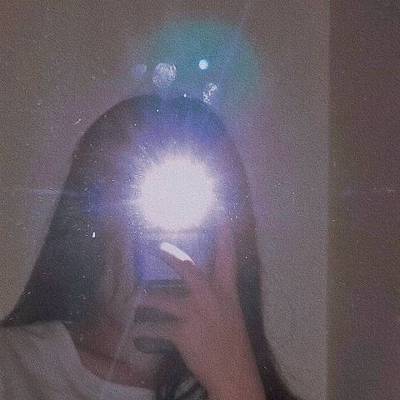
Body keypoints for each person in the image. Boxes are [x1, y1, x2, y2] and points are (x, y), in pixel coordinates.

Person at [0, 95, 300, 400]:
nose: (162, 239)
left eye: (187, 204)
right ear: (86, 225)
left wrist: (236, 385)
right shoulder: (12, 366)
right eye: (140, 203)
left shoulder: (249, 386)